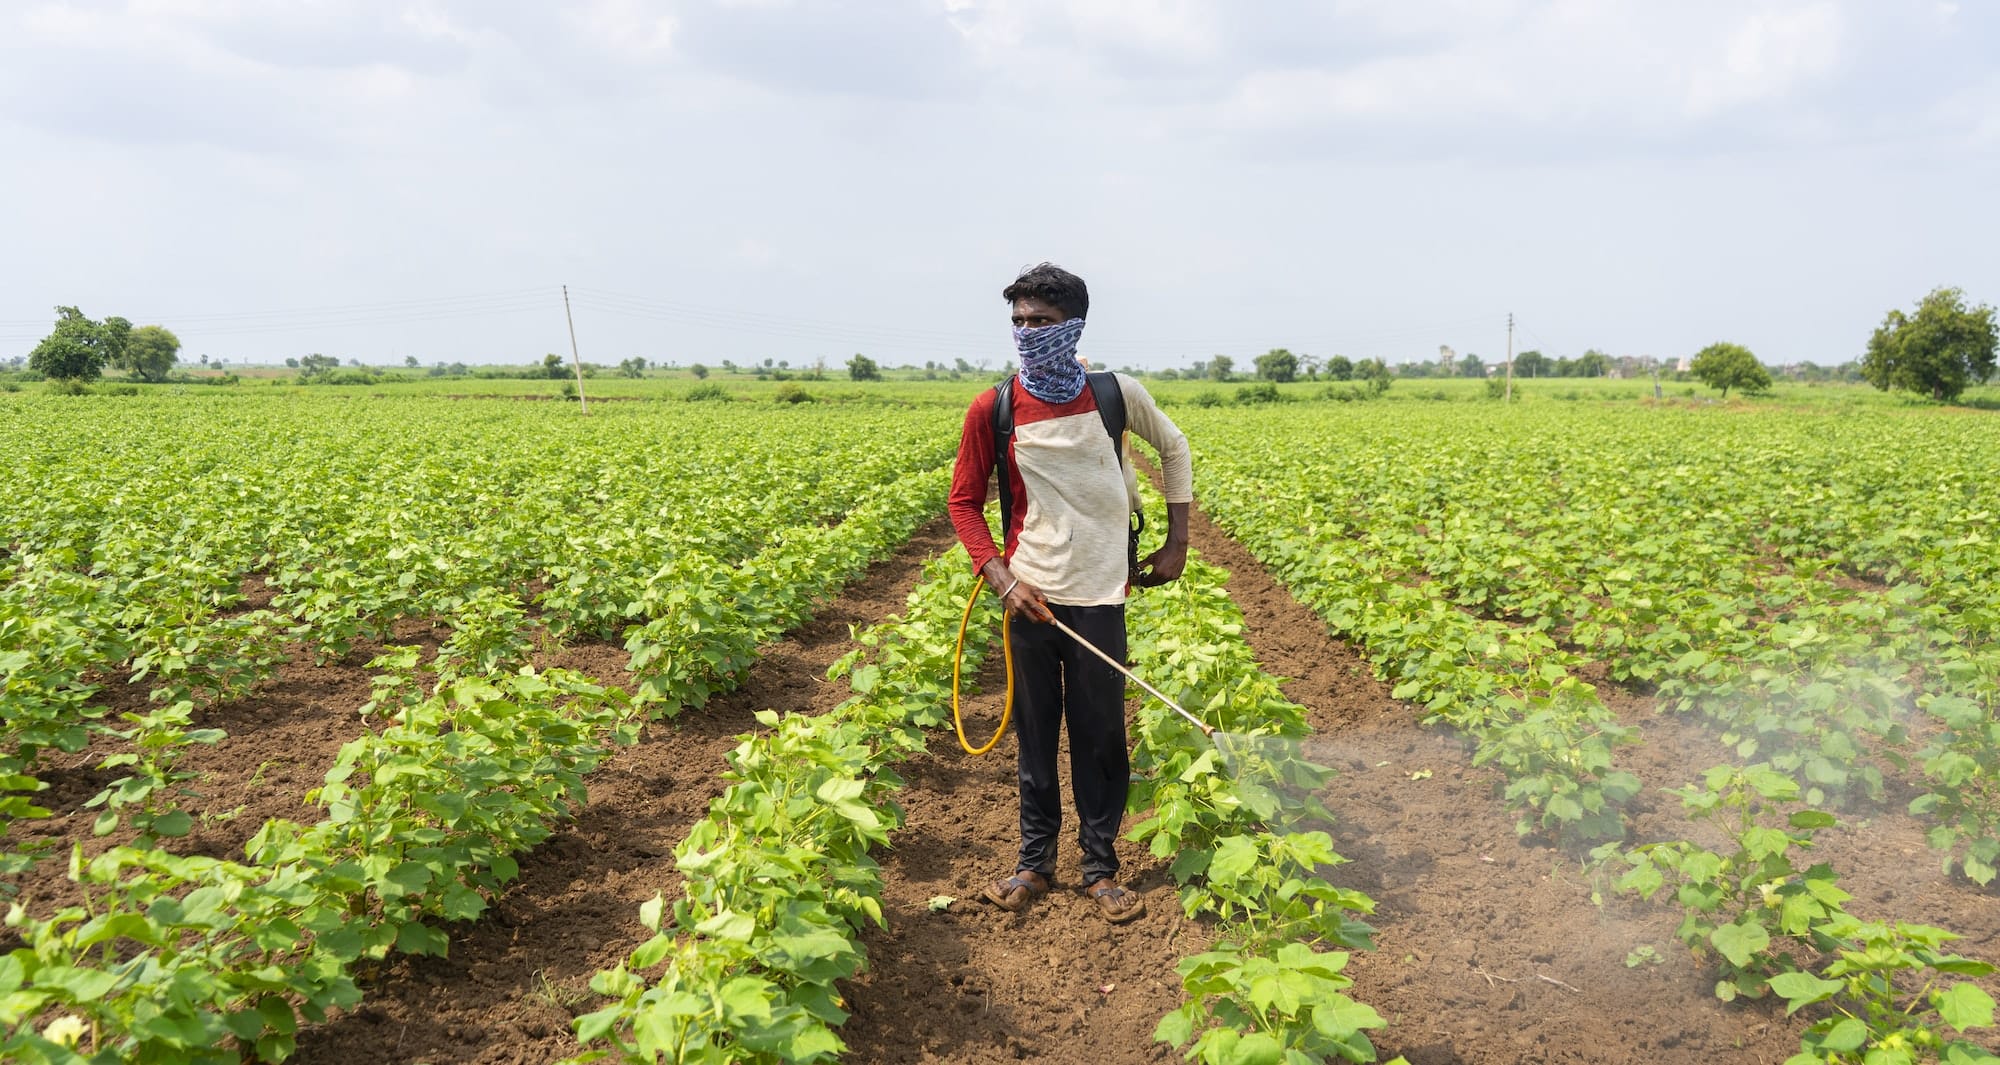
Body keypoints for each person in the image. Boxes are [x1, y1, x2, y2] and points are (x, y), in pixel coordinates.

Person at [947, 262, 1194, 923]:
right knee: (1034, 733)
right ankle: (1033, 862)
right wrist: (1001, 578)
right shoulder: (994, 407)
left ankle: (1099, 866)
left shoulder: (1115, 394)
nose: (1028, 333)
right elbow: (964, 502)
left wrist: (1177, 542)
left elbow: (1175, 447)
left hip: (1101, 593)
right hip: (1030, 596)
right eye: (1019, 321)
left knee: (1099, 734)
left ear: (1074, 327)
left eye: (1043, 322)